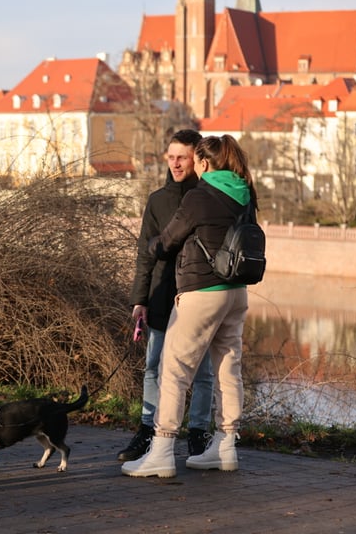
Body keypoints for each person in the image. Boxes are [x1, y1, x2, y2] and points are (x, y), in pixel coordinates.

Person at [121, 134, 257, 478]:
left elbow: (169, 240)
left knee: (174, 370)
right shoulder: (245, 192)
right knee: (229, 370)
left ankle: (162, 451)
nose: (191, 166)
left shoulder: (200, 196)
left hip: (202, 292)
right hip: (236, 291)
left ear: (206, 164)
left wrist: (153, 247)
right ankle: (225, 448)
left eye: (196, 160)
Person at [117, 129, 214, 463]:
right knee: (153, 367)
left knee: (201, 372)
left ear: (196, 159)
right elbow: (145, 253)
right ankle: (147, 430)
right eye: (171, 157)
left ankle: (199, 436)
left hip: (196, 293)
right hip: (160, 294)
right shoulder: (157, 200)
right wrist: (138, 299)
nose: (175, 163)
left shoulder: (207, 196)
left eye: (182, 157)